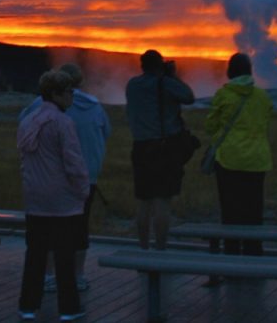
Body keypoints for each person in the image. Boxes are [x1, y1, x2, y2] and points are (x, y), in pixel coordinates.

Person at [19, 62, 111, 293]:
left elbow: (22, 129)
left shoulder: (38, 108)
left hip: (45, 179)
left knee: (47, 229)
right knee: (79, 228)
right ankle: (77, 276)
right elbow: (106, 133)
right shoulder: (93, 107)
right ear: (78, 82)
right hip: (85, 179)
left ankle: (48, 276)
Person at [17, 69, 89, 322]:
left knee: (35, 254)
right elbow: (74, 163)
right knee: (64, 256)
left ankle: (27, 306)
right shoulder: (63, 123)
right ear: (56, 94)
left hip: (35, 199)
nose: (72, 96)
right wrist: (83, 190)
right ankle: (68, 308)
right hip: (62, 202)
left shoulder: (28, 120)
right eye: (69, 92)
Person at [125, 49, 195, 251]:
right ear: (160, 66)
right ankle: (161, 249)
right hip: (164, 148)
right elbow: (188, 96)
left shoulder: (132, 84)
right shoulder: (165, 83)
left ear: (142, 66)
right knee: (162, 200)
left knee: (144, 201)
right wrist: (173, 76)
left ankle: (143, 248)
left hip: (140, 147)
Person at [205, 52, 272, 256]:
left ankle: (232, 253)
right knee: (253, 209)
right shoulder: (262, 96)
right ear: (250, 71)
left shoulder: (224, 95)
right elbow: (265, 123)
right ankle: (254, 252)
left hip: (228, 160)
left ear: (229, 72)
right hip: (257, 160)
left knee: (230, 209)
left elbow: (210, 126)